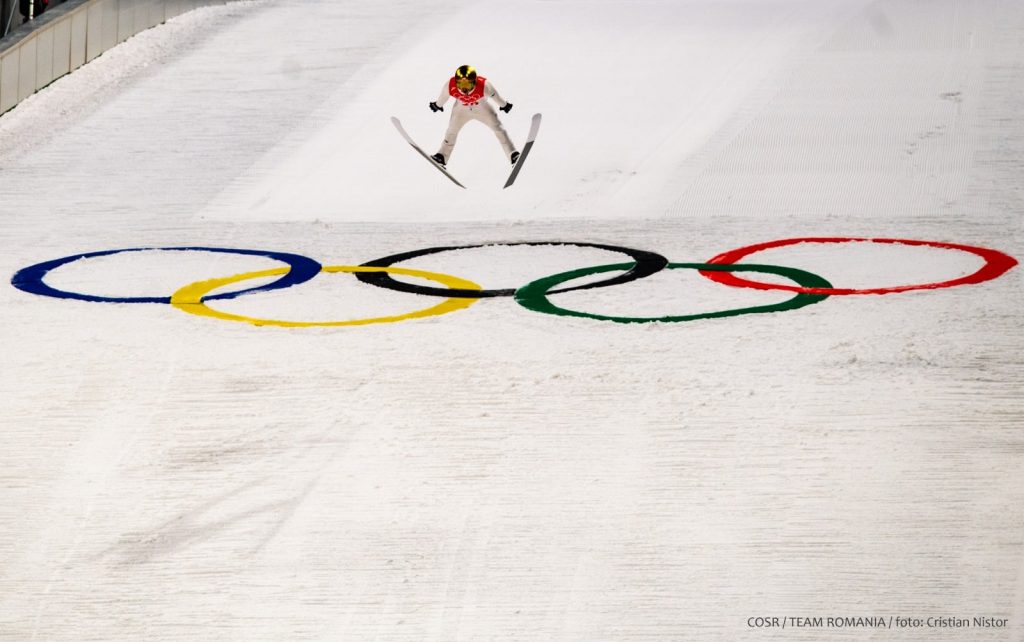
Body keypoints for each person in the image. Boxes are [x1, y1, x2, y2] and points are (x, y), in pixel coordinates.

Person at [429, 65, 519, 168]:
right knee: (451, 131)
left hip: (482, 109)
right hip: (461, 111)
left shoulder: (484, 85)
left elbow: (496, 96)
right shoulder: (450, 85)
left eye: (467, 84)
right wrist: (438, 104)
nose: (464, 88)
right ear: (456, 82)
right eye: (460, 84)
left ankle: (513, 154)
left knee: (498, 128)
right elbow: (443, 96)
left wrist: (504, 104)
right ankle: (442, 156)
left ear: (474, 82)